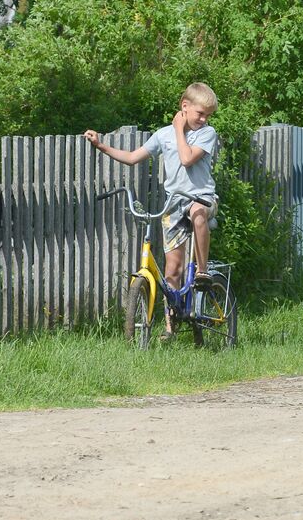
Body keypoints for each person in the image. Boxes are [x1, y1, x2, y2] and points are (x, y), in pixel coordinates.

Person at [85, 82, 220, 337]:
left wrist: (180, 129)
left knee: (197, 213)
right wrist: (101, 146)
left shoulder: (206, 133)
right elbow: (133, 157)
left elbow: (187, 158)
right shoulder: (163, 134)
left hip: (202, 197)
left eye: (207, 115)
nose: (204, 119)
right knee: (172, 270)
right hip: (173, 203)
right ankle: (171, 325)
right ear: (185, 107)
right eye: (200, 113)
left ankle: (202, 272)